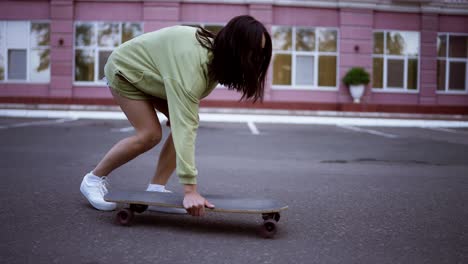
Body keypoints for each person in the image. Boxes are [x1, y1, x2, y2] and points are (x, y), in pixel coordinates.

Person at [80, 15, 272, 217]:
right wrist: (190, 190)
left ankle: (156, 189)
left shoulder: (215, 59)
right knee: (150, 135)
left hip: (156, 77)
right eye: (253, 52)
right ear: (236, 47)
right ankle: (92, 180)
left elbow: (185, 117)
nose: (256, 59)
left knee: (184, 123)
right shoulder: (192, 66)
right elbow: (185, 125)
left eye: (260, 53)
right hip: (126, 70)